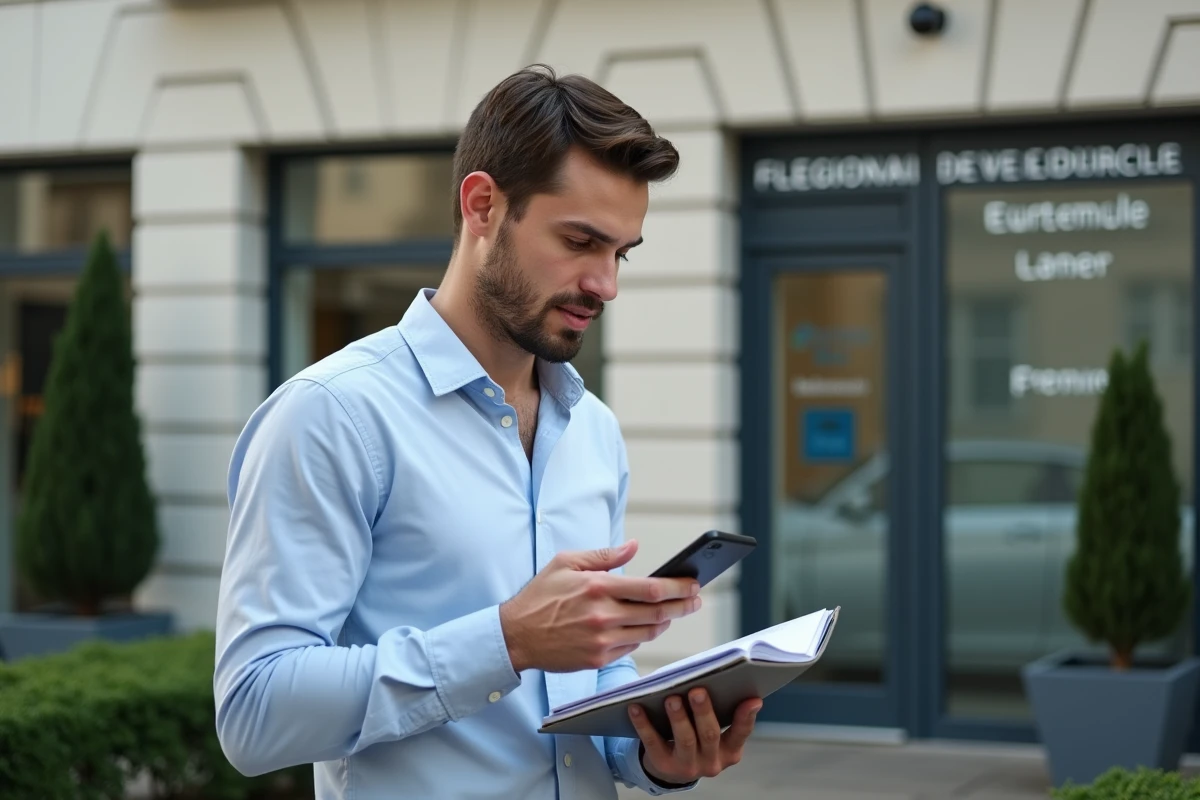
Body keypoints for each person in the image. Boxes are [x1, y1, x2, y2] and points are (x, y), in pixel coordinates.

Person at [213, 64, 761, 799]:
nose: (607, 284)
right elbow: (253, 712)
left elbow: (593, 681)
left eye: (620, 252)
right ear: (482, 206)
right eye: (579, 241)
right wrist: (507, 641)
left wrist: (655, 753)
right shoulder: (331, 416)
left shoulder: (591, 430)